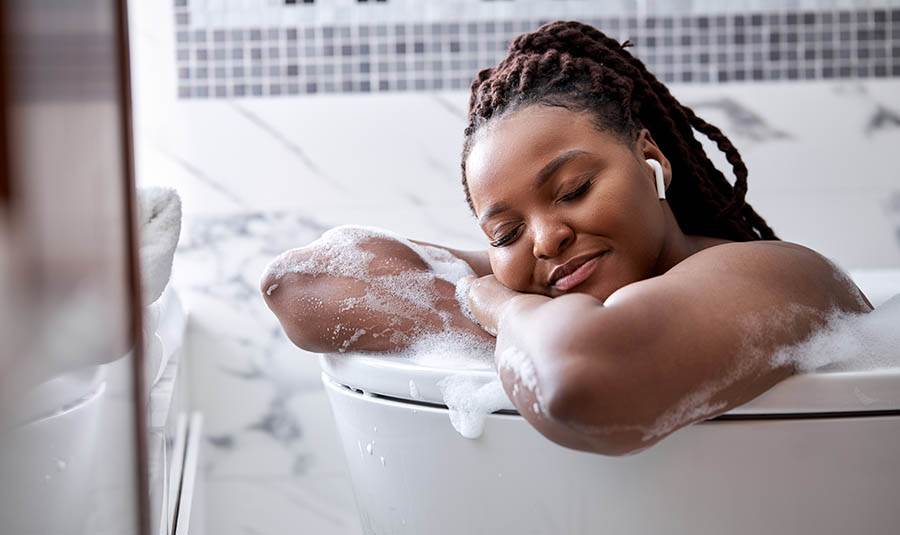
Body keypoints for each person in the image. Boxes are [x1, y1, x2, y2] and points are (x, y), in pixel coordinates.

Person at [260, 21, 872, 456]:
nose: (547, 239)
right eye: (506, 230)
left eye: (574, 189)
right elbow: (298, 284)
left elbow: (581, 384)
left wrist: (503, 304)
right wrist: (521, 303)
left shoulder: (777, 275)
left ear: (649, 157)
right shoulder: (550, 277)